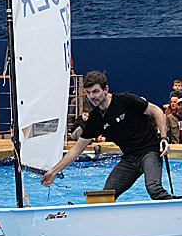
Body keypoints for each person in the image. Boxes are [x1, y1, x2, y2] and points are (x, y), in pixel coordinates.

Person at [42, 71, 172, 201]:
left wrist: (164, 138)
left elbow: (157, 111)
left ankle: (177, 211)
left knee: (154, 188)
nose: (91, 96)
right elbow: (77, 149)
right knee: (104, 198)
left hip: (149, 152)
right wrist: (53, 172)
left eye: (95, 91)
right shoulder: (95, 119)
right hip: (129, 159)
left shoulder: (125, 100)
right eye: (88, 93)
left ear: (106, 89)